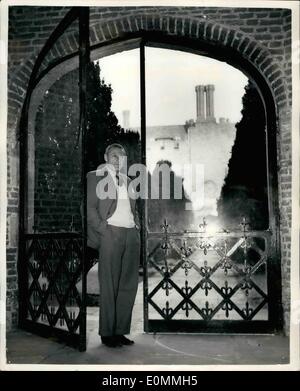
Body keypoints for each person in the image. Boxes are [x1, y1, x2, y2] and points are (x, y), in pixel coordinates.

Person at [86, 143, 140, 348]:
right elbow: (90, 207)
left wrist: (136, 226)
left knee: (128, 284)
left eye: (121, 156)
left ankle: (120, 331)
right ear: (106, 156)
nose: (118, 159)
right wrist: (102, 229)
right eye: (114, 155)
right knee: (109, 285)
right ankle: (107, 333)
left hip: (130, 234)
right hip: (110, 232)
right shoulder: (95, 176)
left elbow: (133, 210)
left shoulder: (129, 181)